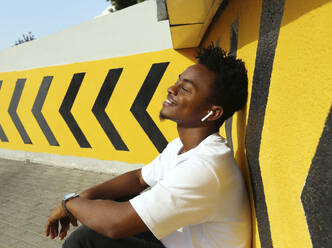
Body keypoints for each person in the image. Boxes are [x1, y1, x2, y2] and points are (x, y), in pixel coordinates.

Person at [45, 44, 252, 248]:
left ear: (213, 113)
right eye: (178, 81)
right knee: (99, 220)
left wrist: (69, 203)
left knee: (88, 239)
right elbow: (138, 179)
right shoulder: (182, 146)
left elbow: (115, 224)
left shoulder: (205, 167)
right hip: (171, 240)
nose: (172, 89)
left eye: (185, 89)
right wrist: (85, 197)